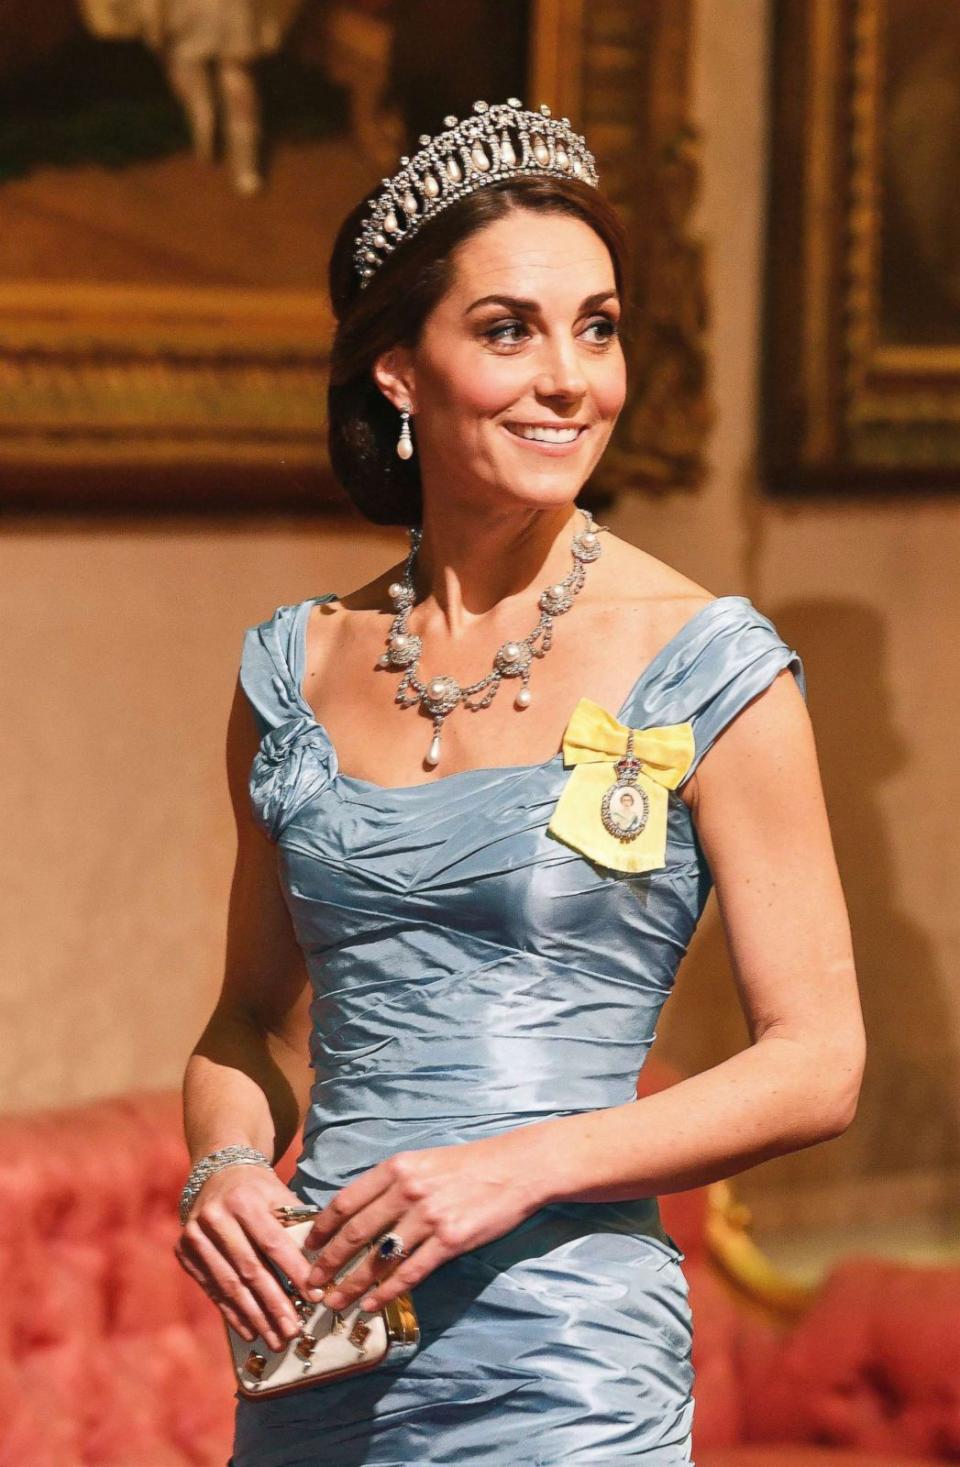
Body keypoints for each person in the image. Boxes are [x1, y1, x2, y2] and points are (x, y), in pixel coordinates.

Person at [175, 99, 865, 1464]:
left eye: (596, 327)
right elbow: (247, 1019)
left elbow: (819, 1064)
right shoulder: (293, 676)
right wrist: (227, 1167)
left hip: (563, 1366)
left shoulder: (708, 664)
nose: (570, 379)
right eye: (510, 329)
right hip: (320, 1347)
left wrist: (520, 1164)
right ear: (397, 371)